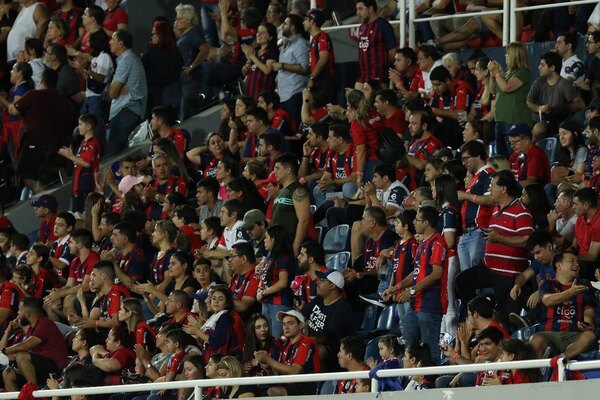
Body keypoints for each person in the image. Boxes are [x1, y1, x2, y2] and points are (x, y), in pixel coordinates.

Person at [455, 171, 534, 328]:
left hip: (508, 273)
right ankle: (484, 315)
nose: (490, 188)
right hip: (488, 267)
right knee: (461, 282)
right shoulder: (496, 210)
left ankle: (497, 323)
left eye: (493, 185)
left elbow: (528, 241)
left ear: (503, 189)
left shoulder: (521, 211)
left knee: (508, 321)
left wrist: (500, 238)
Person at [13, 68, 75, 194]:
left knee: (28, 177)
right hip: (58, 146)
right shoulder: (62, 100)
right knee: (57, 170)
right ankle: (68, 194)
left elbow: (14, 110)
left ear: (41, 80)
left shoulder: (34, 95)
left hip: (34, 145)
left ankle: (43, 198)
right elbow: (70, 122)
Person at [529, 251, 596, 359]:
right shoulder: (547, 283)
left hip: (573, 335)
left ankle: (559, 360)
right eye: (571, 261)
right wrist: (570, 292)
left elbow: (588, 310)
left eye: (577, 262)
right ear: (558, 265)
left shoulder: (583, 283)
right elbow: (548, 301)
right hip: (549, 334)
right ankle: (536, 375)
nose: (577, 264)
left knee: (589, 336)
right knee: (535, 339)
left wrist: (588, 325)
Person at [2, 297, 68, 391]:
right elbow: (27, 352)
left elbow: (25, 346)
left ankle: (33, 392)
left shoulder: (45, 324)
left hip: (55, 368)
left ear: (27, 314)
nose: (17, 313)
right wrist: (16, 364)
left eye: (19, 310)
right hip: (40, 368)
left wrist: (4, 351)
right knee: (8, 373)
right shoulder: (31, 329)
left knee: (21, 356)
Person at [254, 310, 320, 396]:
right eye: (284, 324)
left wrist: (269, 360)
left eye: (290, 323)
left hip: (306, 387)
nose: (286, 327)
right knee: (255, 390)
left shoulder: (306, 342)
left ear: (300, 325)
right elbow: (279, 375)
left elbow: (295, 371)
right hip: (288, 385)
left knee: (273, 391)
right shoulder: (286, 345)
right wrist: (268, 369)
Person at [302, 270, 355, 371]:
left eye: (322, 280)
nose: (318, 282)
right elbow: (302, 314)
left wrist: (306, 340)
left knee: (319, 350)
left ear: (332, 286)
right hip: (311, 342)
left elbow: (329, 338)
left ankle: (317, 384)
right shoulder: (319, 300)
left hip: (334, 353)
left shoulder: (342, 308)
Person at [107, 29, 148, 156]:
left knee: (116, 155)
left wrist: (116, 90)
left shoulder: (126, 60)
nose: (109, 42)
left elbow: (112, 93)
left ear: (120, 43)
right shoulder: (129, 59)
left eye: (112, 39)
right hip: (130, 111)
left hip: (126, 112)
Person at [488, 43, 532, 157]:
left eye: (508, 54)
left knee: (514, 157)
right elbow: (493, 90)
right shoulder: (507, 75)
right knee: (502, 158)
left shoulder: (523, 73)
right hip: (501, 121)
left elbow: (506, 87)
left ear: (515, 56)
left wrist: (497, 72)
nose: (505, 56)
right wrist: (493, 75)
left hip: (515, 122)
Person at [526, 51, 585, 135]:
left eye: (543, 65)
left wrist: (558, 109)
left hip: (556, 123)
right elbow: (528, 102)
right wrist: (539, 108)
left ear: (552, 68)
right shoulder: (538, 82)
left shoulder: (563, 84)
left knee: (539, 129)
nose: (539, 67)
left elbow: (581, 104)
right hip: (536, 120)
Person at [255, 225, 296, 338]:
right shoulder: (270, 257)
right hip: (267, 302)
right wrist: (259, 290)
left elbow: (282, 282)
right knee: (268, 340)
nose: (264, 240)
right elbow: (264, 278)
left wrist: (263, 293)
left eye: (267, 237)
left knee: (276, 340)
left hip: (279, 304)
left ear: (274, 239)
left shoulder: (282, 258)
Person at [271, 14, 309, 126]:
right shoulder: (286, 44)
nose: (283, 26)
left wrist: (282, 65)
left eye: (286, 24)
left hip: (295, 94)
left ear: (293, 27)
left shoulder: (301, 44)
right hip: (283, 95)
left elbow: (304, 67)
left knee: (296, 128)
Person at [58, 114, 101, 213]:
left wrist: (70, 156)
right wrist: (68, 154)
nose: (78, 127)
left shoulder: (93, 142)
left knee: (83, 213)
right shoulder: (83, 142)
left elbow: (87, 163)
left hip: (86, 182)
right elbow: (79, 161)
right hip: (78, 182)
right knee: (76, 213)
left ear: (89, 126)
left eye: (81, 124)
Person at [271, 153, 312, 255]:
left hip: (290, 243)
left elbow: (304, 220)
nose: (274, 171)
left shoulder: (298, 190)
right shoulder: (281, 192)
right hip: (279, 244)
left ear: (288, 170)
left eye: (277, 168)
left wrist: (296, 245)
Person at [175, 3, 209, 120]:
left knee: (189, 108)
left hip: (192, 78)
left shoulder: (193, 32)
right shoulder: (184, 35)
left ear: (189, 20)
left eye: (179, 18)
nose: (176, 21)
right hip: (185, 79)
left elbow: (205, 49)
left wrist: (191, 66)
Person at [142, 21, 183, 114]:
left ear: (161, 34)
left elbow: (139, 70)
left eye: (154, 34)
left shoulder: (152, 52)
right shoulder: (176, 53)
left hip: (153, 96)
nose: (151, 36)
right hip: (174, 97)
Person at [429, 65, 473, 149]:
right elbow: (432, 110)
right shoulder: (438, 92)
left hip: (462, 126)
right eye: (433, 85)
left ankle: (449, 153)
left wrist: (439, 112)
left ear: (447, 80)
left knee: (448, 122)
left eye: (437, 84)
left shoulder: (461, 88)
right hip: (445, 129)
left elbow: (462, 116)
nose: (435, 88)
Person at [355, 0, 396, 87]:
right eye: (357, 10)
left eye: (360, 9)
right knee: (355, 97)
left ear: (370, 8)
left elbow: (392, 52)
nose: (357, 13)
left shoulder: (383, 25)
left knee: (375, 99)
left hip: (378, 74)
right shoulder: (361, 27)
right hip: (363, 74)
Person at [241, 22, 279, 101]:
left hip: (263, 97)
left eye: (262, 33)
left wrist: (251, 56)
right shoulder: (255, 51)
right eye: (258, 32)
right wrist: (249, 60)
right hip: (250, 94)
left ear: (270, 37)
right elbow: (244, 72)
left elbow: (267, 70)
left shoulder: (272, 51)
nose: (258, 34)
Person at [570, 187, 600, 279]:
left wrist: (572, 259)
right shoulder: (579, 220)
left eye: (575, 204)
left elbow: (592, 256)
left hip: (592, 265)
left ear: (586, 206)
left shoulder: (598, 223)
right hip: (580, 259)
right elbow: (574, 246)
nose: (573, 207)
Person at [304, 9, 334, 96]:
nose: (303, 22)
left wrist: (312, 77)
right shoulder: (314, 39)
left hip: (324, 80)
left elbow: (323, 59)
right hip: (318, 80)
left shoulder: (322, 37)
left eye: (305, 20)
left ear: (312, 21)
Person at [228, 242, 260, 318]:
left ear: (243, 259)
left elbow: (243, 306)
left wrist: (222, 301)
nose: (229, 260)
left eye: (232, 256)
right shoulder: (236, 276)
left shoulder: (256, 276)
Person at [242, 313, 280, 377]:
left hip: (271, 382)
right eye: (258, 327)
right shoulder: (247, 346)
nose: (263, 329)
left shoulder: (277, 342)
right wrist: (246, 369)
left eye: (265, 326)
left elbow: (278, 374)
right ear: (252, 330)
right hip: (254, 383)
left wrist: (268, 366)